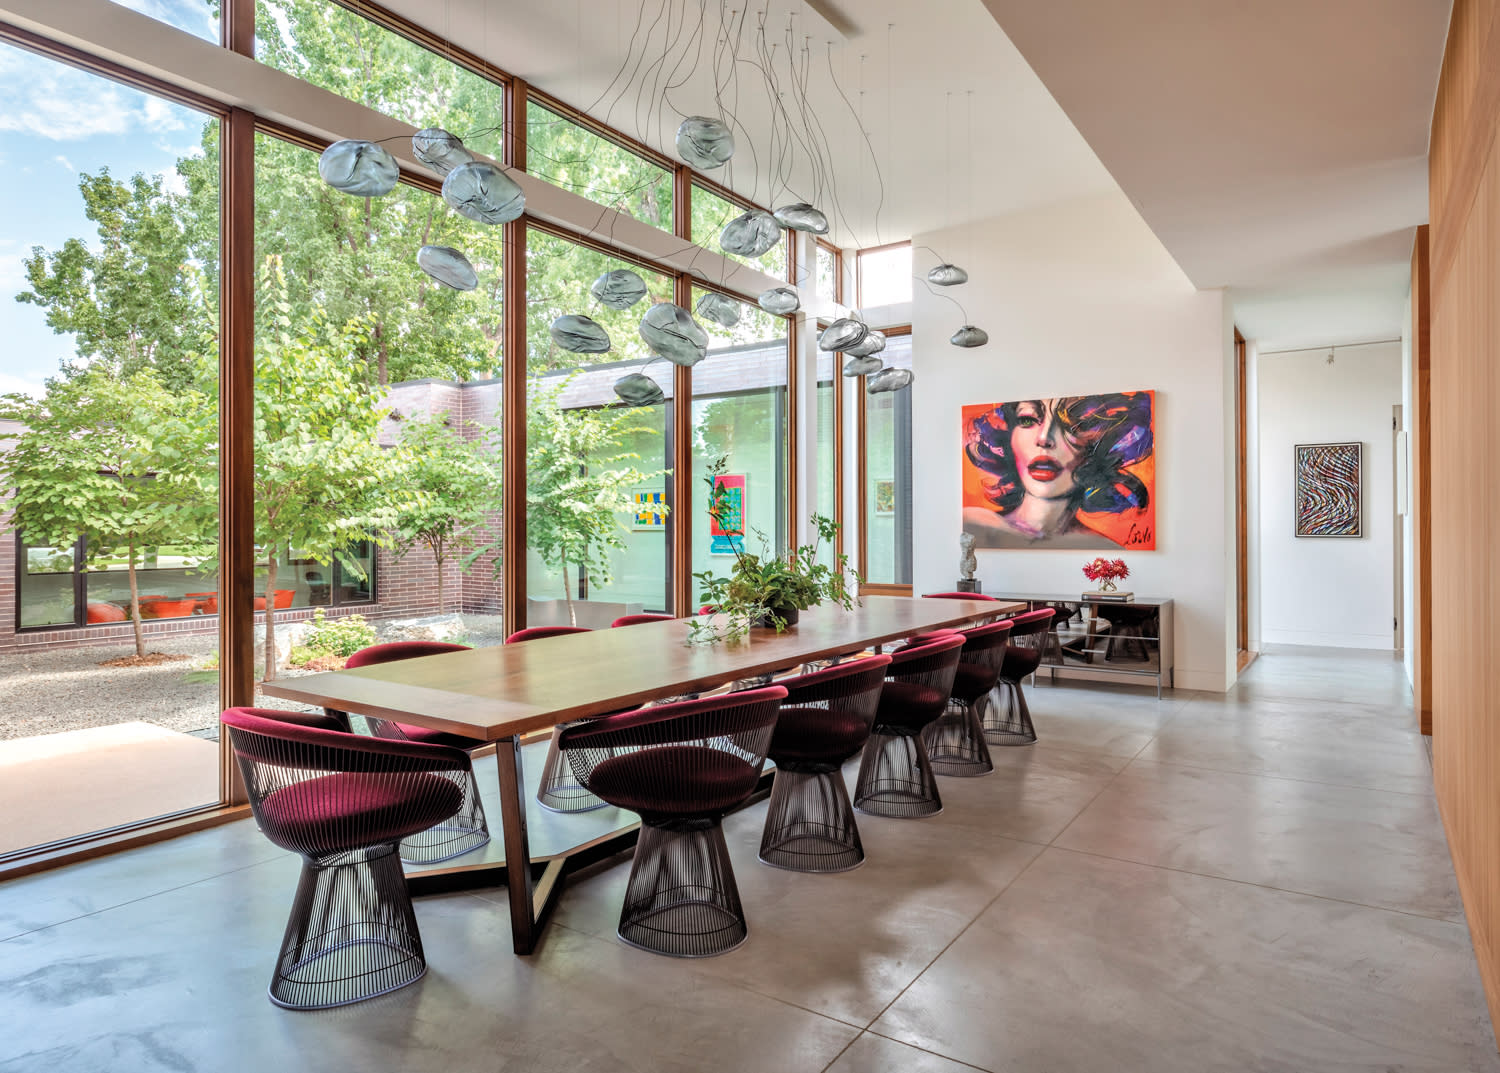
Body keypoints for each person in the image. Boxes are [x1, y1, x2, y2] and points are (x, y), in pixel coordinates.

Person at [962, 393, 1153, 548]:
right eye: (1027, 420)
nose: (1045, 439)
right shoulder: (970, 527)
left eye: (1072, 425)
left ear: (1098, 443)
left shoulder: (1103, 551)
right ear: (1009, 436)